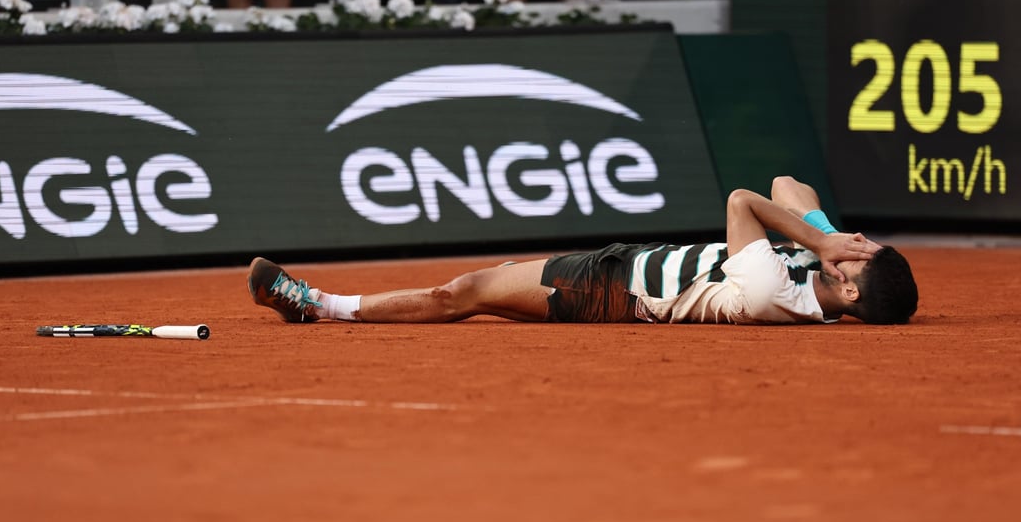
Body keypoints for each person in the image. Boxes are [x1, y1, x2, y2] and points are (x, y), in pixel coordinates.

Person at [247, 176, 918, 326]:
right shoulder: (815, 278)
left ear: (850, 290)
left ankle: (314, 304)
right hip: (618, 265)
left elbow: (747, 199)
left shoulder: (778, 287)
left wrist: (821, 240)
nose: (848, 250)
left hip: (608, 290)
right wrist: (831, 236)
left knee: (466, 292)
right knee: (485, 282)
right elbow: (789, 187)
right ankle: (315, 305)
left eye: (860, 257)